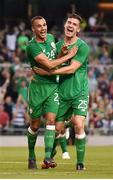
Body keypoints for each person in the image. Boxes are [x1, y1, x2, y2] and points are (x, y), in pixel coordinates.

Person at [33, 13, 90, 171]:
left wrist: (49, 73)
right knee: (56, 129)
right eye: (68, 22)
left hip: (79, 92)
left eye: (74, 24)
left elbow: (72, 68)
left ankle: (80, 164)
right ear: (65, 25)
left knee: (79, 124)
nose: (70, 25)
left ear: (78, 29)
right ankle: (50, 155)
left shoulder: (83, 46)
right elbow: (51, 64)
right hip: (62, 94)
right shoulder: (57, 46)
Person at [26, 16, 77, 169]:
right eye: (39, 26)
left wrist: (61, 54)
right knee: (34, 126)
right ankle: (31, 155)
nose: (43, 28)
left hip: (52, 86)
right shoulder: (32, 46)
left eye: (45, 25)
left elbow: (54, 61)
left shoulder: (51, 38)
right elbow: (48, 65)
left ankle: (48, 158)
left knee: (51, 121)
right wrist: (69, 56)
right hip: (37, 89)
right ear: (33, 30)